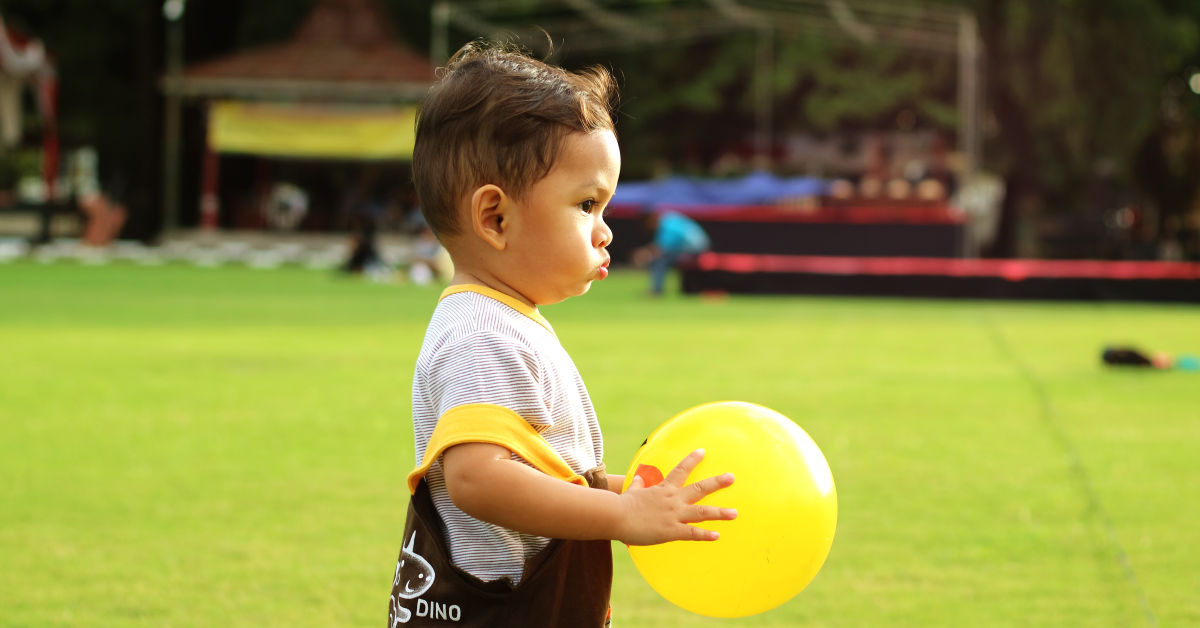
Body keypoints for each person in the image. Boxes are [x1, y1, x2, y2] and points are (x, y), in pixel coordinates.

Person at [388, 43, 737, 627]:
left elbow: (545, 472)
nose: (604, 232)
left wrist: (638, 493)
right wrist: (621, 516)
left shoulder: (507, 320)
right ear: (495, 218)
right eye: (587, 205)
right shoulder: (481, 334)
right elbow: (480, 478)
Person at [633, 210, 711, 295]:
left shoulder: (667, 225)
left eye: (646, 223)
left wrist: (643, 254)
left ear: (651, 219)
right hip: (694, 250)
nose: (647, 226)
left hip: (697, 253)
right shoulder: (668, 219)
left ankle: (656, 291)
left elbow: (661, 249)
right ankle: (656, 290)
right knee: (660, 258)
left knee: (659, 260)